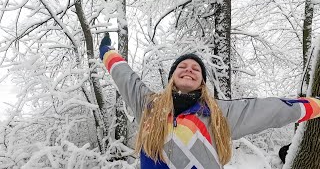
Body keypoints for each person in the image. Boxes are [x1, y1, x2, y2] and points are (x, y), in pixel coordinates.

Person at [99, 34, 320, 169]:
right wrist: (107, 53)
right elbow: (125, 77)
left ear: (202, 82)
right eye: (182, 67)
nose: (189, 70)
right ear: (171, 77)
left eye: (196, 69)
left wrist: (316, 105)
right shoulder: (148, 106)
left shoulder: (218, 114)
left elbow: (272, 110)